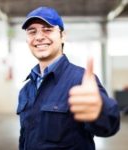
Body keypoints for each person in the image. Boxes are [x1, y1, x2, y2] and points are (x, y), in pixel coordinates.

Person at [17, 6, 120, 150]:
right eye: (32, 32)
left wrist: (101, 110)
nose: (39, 37)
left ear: (62, 35)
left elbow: (109, 125)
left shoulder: (80, 80)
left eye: (47, 29)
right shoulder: (26, 90)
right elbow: (24, 138)